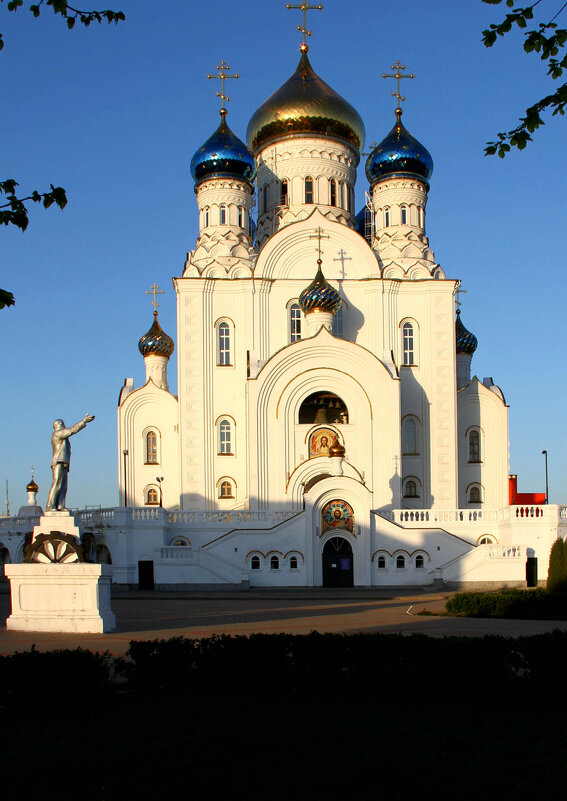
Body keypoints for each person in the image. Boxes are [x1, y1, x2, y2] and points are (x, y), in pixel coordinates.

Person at [46, 414, 95, 511]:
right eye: (63, 424)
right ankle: (50, 506)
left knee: (63, 486)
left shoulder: (62, 436)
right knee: (57, 483)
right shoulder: (58, 434)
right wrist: (84, 421)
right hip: (58, 462)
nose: (64, 426)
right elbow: (72, 430)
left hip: (63, 462)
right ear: (59, 425)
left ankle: (60, 505)